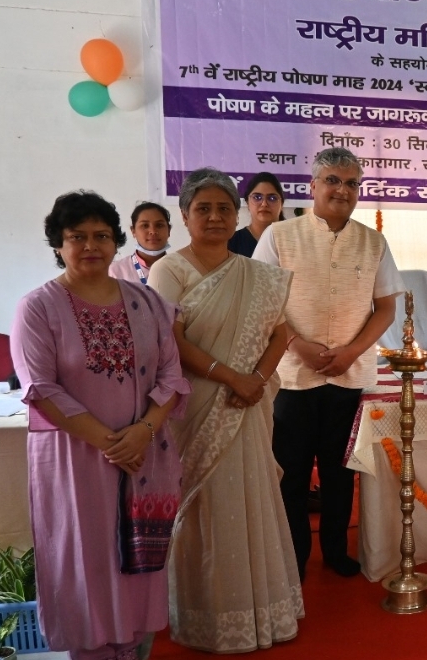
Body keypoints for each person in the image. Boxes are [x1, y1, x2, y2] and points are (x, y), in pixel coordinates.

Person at [10, 191, 188, 660]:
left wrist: (143, 432)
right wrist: (114, 444)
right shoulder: (37, 308)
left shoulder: (148, 303)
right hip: (75, 460)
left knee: (135, 562)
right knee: (84, 559)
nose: (91, 246)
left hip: (144, 457)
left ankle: (131, 649)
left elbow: (172, 375)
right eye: (77, 237)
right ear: (58, 244)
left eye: (101, 236)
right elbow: (41, 388)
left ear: (115, 242)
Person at [147, 168, 303, 652]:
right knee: (206, 507)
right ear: (184, 215)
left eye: (223, 208)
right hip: (196, 402)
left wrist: (255, 379)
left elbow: (280, 332)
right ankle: (208, 615)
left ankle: (261, 609)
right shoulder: (168, 270)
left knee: (252, 496)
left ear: (236, 215)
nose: (214, 217)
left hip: (247, 403)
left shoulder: (254, 273)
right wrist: (233, 377)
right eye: (203, 209)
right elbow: (170, 341)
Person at [253, 147, 405, 579]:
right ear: (313, 185)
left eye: (352, 183)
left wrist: (352, 352)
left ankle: (336, 551)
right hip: (291, 377)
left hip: (349, 377)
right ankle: (294, 557)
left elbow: (385, 308)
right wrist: (297, 345)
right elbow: (262, 303)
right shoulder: (279, 236)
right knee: (292, 474)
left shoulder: (373, 241)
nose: (342, 190)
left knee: (341, 473)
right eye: (333, 181)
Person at [108, 202, 172, 286]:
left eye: (159, 225)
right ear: (133, 231)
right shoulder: (114, 271)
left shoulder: (181, 269)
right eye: (145, 226)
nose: (153, 231)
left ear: (169, 230)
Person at [228, 172, 286, 257]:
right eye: (257, 197)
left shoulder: (294, 240)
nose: (264, 204)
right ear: (247, 203)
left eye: (272, 198)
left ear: (281, 204)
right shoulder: (231, 243)